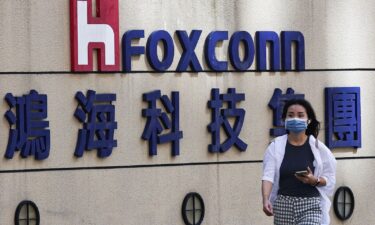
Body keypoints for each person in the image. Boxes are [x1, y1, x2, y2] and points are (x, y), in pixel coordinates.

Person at [261, 99, 337, 225]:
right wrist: (265, 199)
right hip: (283, 205)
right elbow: (268, 176)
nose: (295, 119)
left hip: (310, 204)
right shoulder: (276, 146)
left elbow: (329, 178)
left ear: (309, 120)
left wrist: (315, 180)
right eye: (290, 115)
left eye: (300, 115)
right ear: (284, 119)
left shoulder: (318, 147)